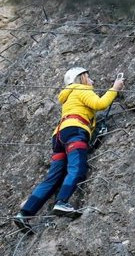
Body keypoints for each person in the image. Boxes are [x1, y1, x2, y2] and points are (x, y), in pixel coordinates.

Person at [13, 67, 125, 232]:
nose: (92, 82)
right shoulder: (80, 89)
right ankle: (62, 202)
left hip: (59, 136)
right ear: (81, 79)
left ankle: (25, 214)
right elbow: (99, 104)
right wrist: (115, 88)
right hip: (74, 131)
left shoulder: (69, 96)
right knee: (77, 168)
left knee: (52, 178)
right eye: (89, 78)